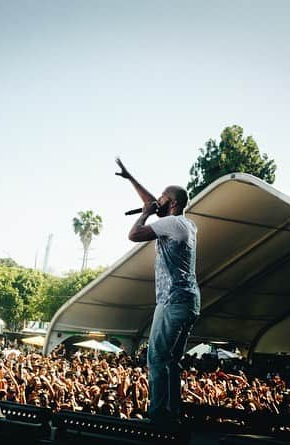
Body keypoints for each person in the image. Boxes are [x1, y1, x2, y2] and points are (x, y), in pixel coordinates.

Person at [115, 158, 200, 426]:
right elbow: (156, 202)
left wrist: (143, 213)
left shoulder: (172, 224)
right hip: (189, 301)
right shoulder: (187, 223)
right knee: (172, 361)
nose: (158, 202)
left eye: (163, 199)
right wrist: (132, 179)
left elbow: (134, 234)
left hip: (172, 301)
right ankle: (173, 411)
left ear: (172, 204)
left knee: (156, 357)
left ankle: (159, 415)